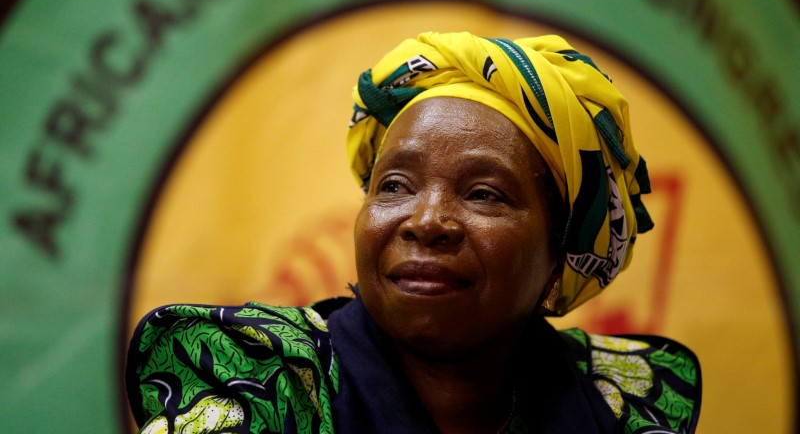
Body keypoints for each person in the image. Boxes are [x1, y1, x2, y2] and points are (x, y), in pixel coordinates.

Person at [126, 32, 701, 433]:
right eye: (395, 185)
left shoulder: (621, 403)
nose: (426, 222)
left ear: (561, 255)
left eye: (483, 194)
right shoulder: (258, 386)